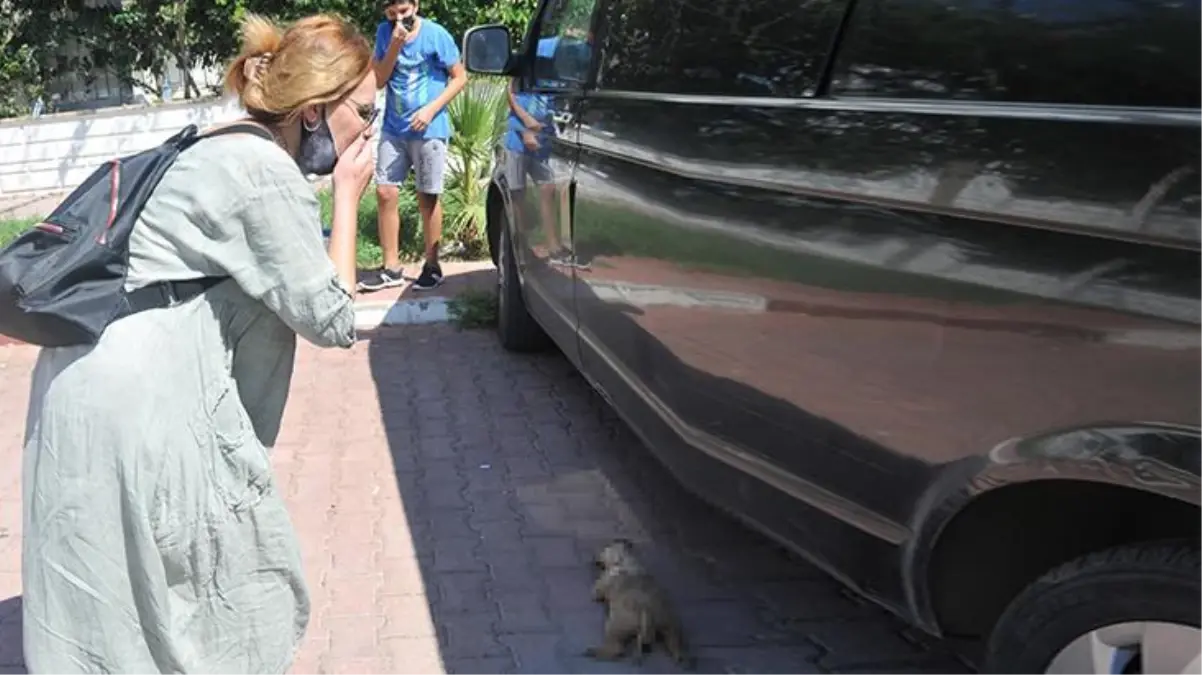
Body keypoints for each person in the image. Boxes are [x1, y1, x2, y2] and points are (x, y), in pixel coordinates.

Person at [20, 13, 377, 674]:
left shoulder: (210, 144)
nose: (370, 130)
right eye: (364, 112)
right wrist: (349, 194)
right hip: (144, 406)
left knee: (107, 602)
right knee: (230, 581)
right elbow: (332, 317)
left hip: (78, 383)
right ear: (317, 112)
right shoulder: (263, 172)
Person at [359, 0, 468, 292]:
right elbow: (379, 79)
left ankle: (432, 266)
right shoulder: (384, 34)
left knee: (427, 196)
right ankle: (391, 267)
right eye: (392, 14)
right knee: (385, 191)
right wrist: (394, 45)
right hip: (394, 127)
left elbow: (460, 78)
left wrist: (431, 110)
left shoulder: (436, 34)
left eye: (404, 13)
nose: (399, 20)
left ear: (415, 6)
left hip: (429, 128)